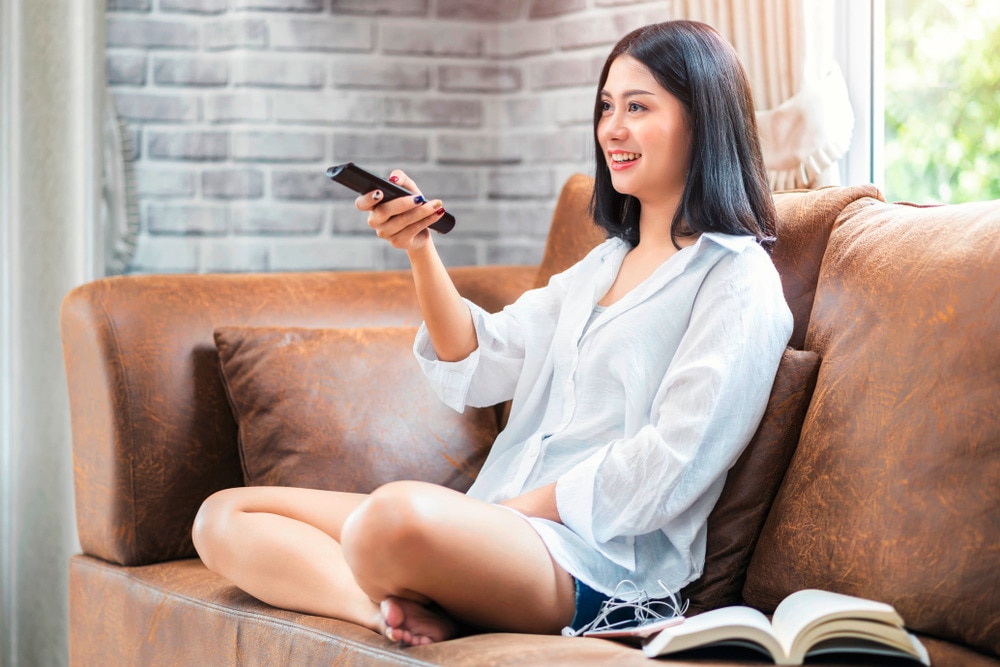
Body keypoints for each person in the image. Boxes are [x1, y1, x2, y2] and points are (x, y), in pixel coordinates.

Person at [191, 20, 793, 647]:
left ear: (703, 120)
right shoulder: (602, 266)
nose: (612, 128)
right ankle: (387, 616)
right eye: (606, 106)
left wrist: (502, 516)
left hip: (601, 565)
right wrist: (420, 250)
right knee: (223, 515)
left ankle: (414, 576)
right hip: (495, 525)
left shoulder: (737, 278)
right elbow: (481, 360)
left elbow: (672, 462)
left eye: (638, 107)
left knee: (385, 521)